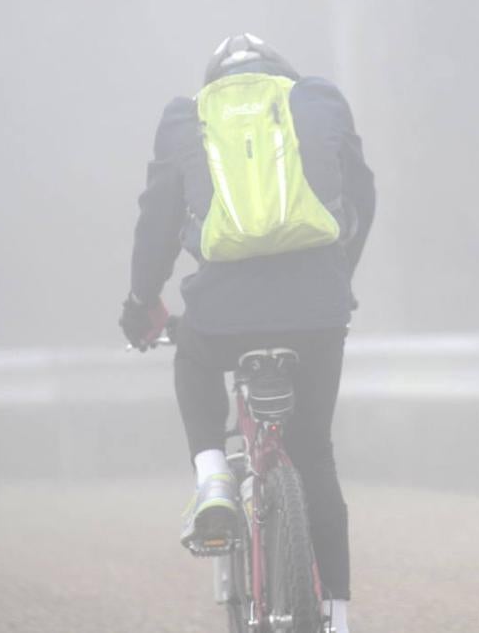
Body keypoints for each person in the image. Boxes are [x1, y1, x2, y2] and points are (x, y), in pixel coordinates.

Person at [119, 33, 374, 632]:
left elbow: (157, 224)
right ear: (280, 77)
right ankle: (336, 620)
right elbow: (363, 196)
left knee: (194, 354)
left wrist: (140, 306)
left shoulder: (188, 117)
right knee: (314, 452)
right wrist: (339, 276)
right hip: (318, 311)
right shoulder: (320, 100)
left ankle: (212, 478)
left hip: (222, 316)